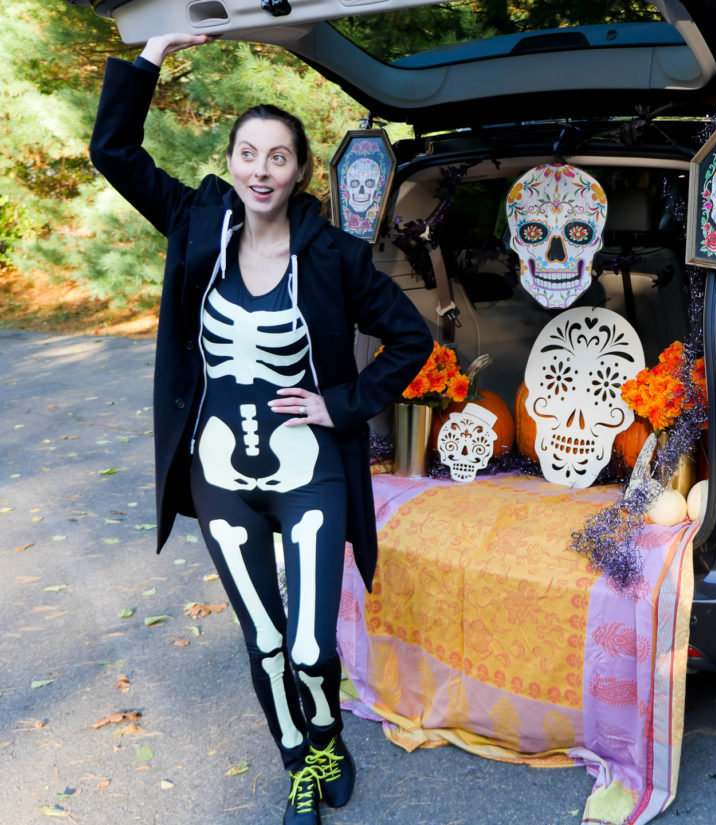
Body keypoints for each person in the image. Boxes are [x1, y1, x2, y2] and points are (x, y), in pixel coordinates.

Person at [89, 32, 433, 825]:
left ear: (300, 170)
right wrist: (156, 51)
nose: (260, 170)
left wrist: (340, 404)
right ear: (233, 160)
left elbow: (412, 337)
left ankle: (330, 732)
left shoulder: (335, 255)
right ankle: (300, 761)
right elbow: (113, 149)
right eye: (248, 153)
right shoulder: (194, 221)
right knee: (267, 643)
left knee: (311, 648)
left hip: (307, 471)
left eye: (278, 157)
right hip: (221, 478)